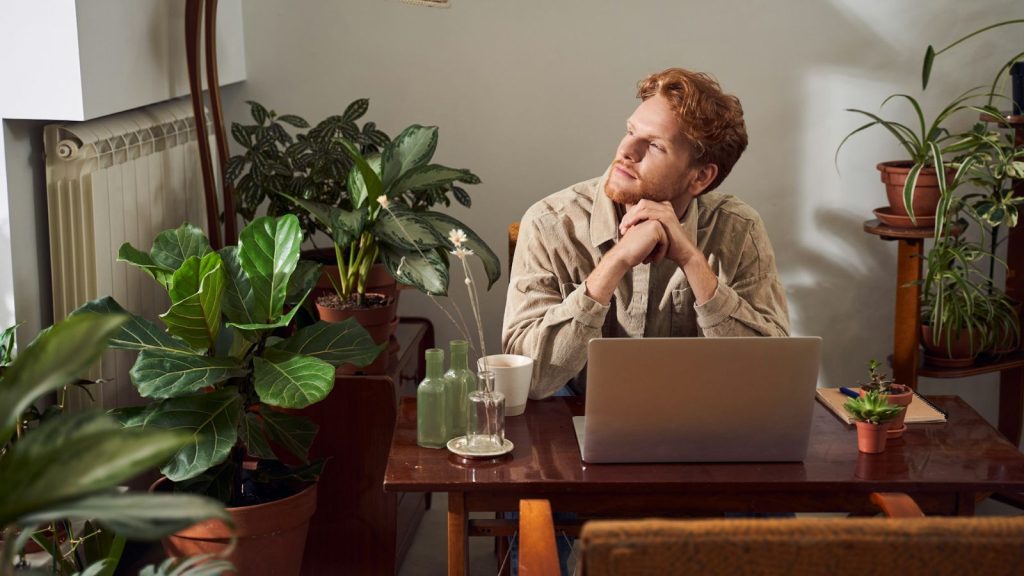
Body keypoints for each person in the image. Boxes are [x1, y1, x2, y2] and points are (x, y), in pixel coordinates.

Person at [502, 67, 789, 399]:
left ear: (700, 178)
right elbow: (527, 381)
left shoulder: (739, 228)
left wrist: (692, 260)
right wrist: (616, 262)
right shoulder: (550, 223)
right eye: (630, 131)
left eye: (654, 145)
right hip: (574, 417)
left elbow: (772, 375)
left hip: (699, 423)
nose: (626, 151)